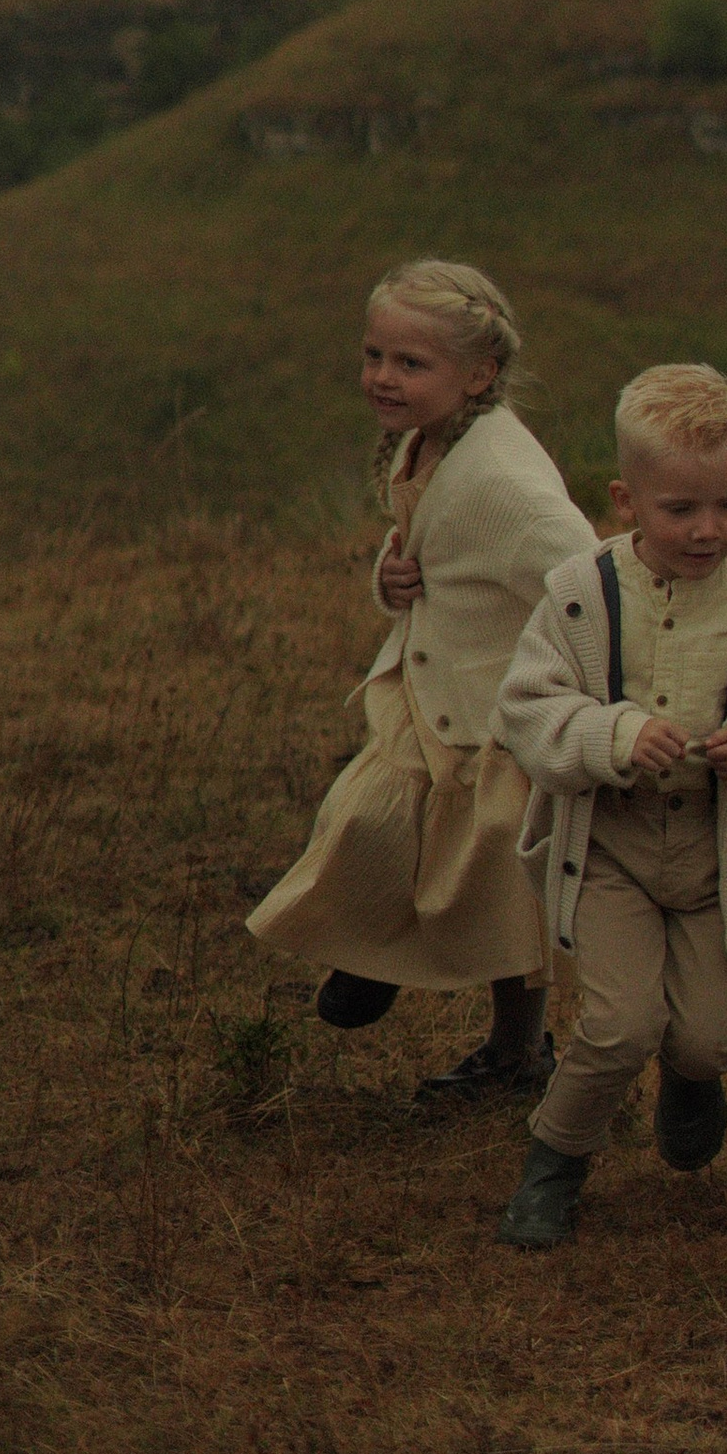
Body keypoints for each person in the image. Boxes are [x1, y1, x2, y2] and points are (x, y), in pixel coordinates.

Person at [491, 362, 727, 1250]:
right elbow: (526, 709)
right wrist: (611, 736)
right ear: (626, 499)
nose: (707, 529)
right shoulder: (580, 594)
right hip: (608, 843)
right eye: (680, 510)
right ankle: (554, 1165)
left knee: (708, 1039)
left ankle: (692, 1077)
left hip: (713, 850)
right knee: (617, 1026)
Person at [248, 257, 594, 1098]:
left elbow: (584, 577)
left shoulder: (504, 478)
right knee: (363, 816)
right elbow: (423, 547)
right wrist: (390, 576)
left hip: (495, 716)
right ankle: (372, 950)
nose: (383, 378)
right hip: (425, 699)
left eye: (411, 364)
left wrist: (570, 689)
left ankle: (519, 1055)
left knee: (502, 896)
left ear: (479, 373)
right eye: (374, 356)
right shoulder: (427, 443)